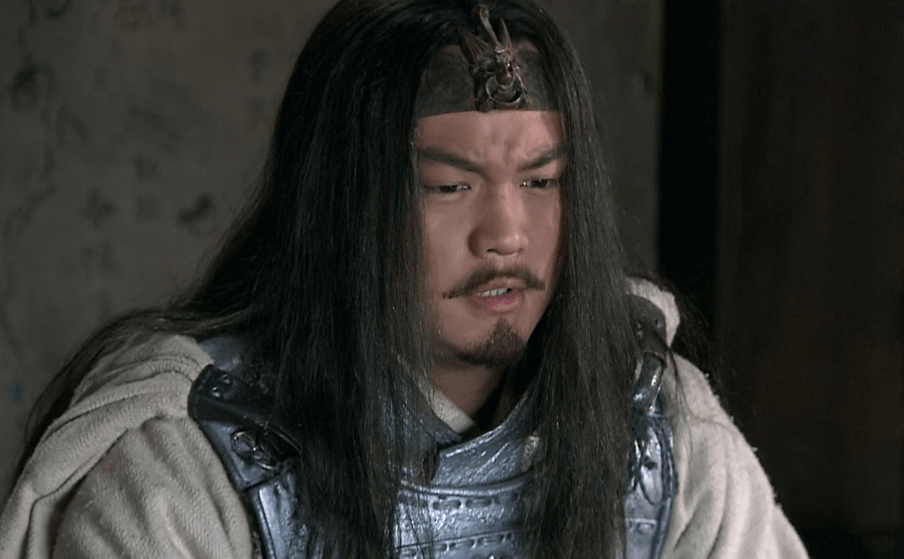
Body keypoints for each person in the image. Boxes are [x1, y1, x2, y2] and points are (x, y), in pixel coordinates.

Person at [0, 0, 809, 557]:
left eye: (541, 180)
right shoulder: (189, 463)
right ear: (344, 204)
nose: (507, 233)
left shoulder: (658, 430)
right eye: (450, 185)